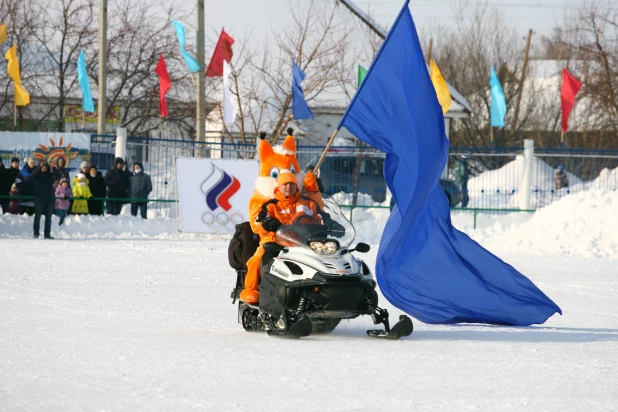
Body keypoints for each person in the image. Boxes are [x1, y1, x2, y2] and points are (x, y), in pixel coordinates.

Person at [240, 170, 329, 304]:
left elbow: (320, 215)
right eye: (285, 184)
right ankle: (251, 289)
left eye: (292, 184)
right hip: (274, 242)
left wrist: (331, 224)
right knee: (257, 259)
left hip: (302, 242)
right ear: (278, 187)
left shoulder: (306, 203)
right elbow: (257, 223)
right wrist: (267, 224)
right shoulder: (270, 205)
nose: (289, 187)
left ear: (296, 186)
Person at [31, 160, 55, 239]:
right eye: (43, 167)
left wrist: (53, 167)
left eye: (45, 166)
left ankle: (47, 234)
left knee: (48, 219)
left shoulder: (50, 175)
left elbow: (58, 176)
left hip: (49, 200)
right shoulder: (37, 176)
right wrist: (39, 167)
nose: (44, 168)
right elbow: (32, 175)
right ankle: (36, 233)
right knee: (37, 218)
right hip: (39, 199)